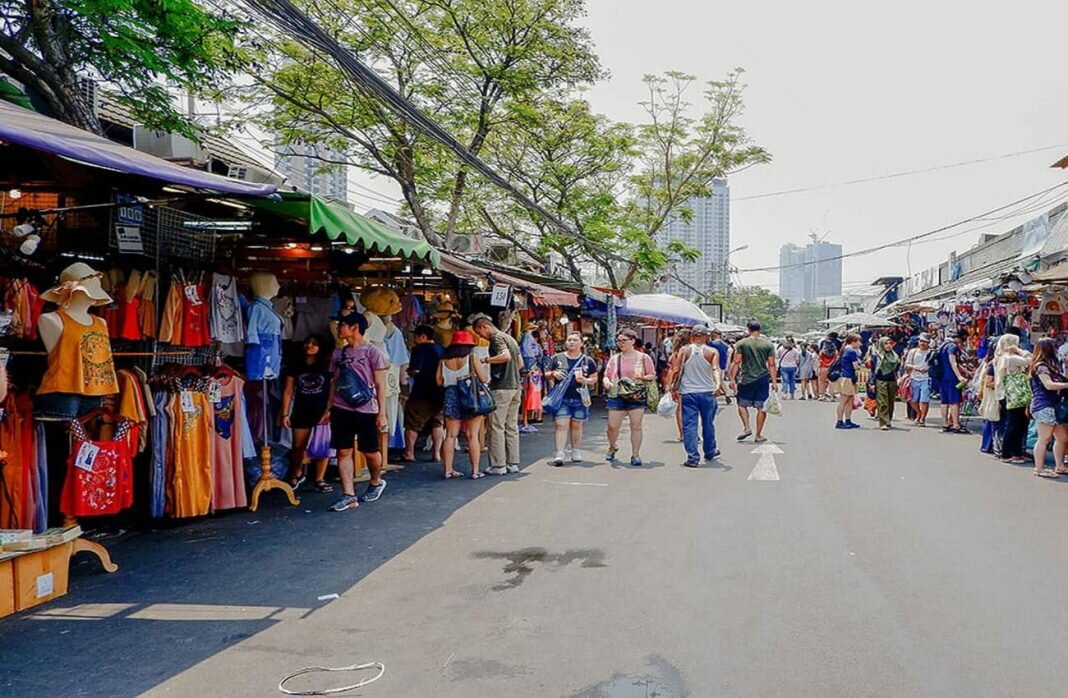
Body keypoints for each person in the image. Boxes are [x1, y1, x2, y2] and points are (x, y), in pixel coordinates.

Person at [325, 314, 389, 512]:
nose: (338, 328)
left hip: (366, 408)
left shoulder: (372, 352)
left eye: (342, 325)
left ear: (354, 327)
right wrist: (328, 407)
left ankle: (376, 480)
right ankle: (348, 494)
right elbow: (334, 382)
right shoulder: (338, 354)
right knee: (343, 450)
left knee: (370, 451)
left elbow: (380, 384)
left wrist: (382, 413)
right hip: (341, 408)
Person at [470, 313, 522, 476]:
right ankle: (512, 462)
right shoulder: (511, 339)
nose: (481, 337)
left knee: (496, 426)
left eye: (480, 333)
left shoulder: (496, 338)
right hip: (515, 386)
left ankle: (498, 465)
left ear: (483, 326)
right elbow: (520, 363)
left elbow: (505, 357)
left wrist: (485, 360)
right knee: (511, 426)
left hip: (501, 388)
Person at [281, 334, 333, 492]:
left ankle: (320, 478)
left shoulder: (327, 366)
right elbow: (288, 390)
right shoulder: (296, 365)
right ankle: (296, 473)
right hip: (301, 408)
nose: (309, 346)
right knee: (298, 446)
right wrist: (284, 414)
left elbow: (332, 389)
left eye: (314, 344)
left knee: (323, 446)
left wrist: (329, 410)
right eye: (307, 343)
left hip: (321, 409)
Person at [438, 330, 491, 479]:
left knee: (450, 435)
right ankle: (475, 471)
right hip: (470, 396)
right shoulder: (472, 358)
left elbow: (439, 381)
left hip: (451, 395)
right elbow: (484, 378)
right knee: (472, 435)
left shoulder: (443, 360)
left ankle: (448, 470)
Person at [603, 327, 655, 466]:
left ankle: (635, 454)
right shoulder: (615, 359)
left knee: (636, 425)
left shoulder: (643, 358)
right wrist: (607, 382)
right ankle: (612, 446)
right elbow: (607, 376)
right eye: (618, 341)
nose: (621, 343)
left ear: (633, 341)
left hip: (636, 394)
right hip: (617, 394)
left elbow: (652, 375)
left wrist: (642, 377)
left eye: (624, 340)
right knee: (612, 426)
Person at [672, 324, 721, 467]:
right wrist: (717, 384)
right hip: (707, 392)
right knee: (708, 423)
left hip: (688, 393)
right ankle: (710, 451)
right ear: (706, 336)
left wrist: (671, 388)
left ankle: (693, 457)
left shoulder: (684, 350)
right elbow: (715, 369)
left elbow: (676, 370)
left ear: (692, 336)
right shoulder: (712, 351)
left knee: (689, 426)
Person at [547, 332, 598, 466]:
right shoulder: (557, 358)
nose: (571, 342)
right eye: (569, 340)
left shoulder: (588, 360)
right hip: (561, 397)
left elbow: (594, 378)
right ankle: (560, 453)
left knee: (577, 425)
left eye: (575, 340)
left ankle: (575, 450)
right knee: (561, 425)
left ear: (581, 343)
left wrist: (585, 380)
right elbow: (546, 373)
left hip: (580, 397)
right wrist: (553, 374)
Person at [728, 320, 777, 443]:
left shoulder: (741, 344)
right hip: (762, 379)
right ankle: (758, 434)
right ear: (759, 330)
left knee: (741, 404)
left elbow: (736, 362)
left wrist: (732, 379)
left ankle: (746, 427)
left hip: (746, 378)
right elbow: (771, 364)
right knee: (761, 407)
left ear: (748, 330)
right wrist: (775, 381)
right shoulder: (768, 344)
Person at [402, 325, 445, 463]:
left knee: (412, 423)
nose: (414, 339)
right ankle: (437, 453)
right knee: (437, 423)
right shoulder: (442, 349)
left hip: (421, 392)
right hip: (439, 392)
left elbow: (416, 370)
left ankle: (409, 453)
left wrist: (409, 372)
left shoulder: (419, 350)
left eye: (416, 336)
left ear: (423, 337)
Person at [1029, 337, 1068, 478]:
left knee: (1062, 437)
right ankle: (1039, 469)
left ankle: (1060, 466)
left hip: (1052, 405)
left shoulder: (1051, 365)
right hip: (1044, 405)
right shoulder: (1041, 367)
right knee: (1044, 438)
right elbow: (1049, 385)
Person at [994, 334, 1031, 464]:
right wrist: (1019, 350)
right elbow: (1030, 359)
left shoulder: (1001, 357)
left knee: (1018, 423)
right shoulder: (1010, 358)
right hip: (1013, 394)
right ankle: (1007, 453)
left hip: (1007, 394)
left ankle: (1016, 452)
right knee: (1014, 424)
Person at [939, 329, 971, 434]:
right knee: (954, 402)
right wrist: (959, 376)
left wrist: (967, 372)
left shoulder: (943, 346)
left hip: (942, 377)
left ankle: (945, 424)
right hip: (951, 378)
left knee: (944, 401)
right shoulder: (953, 347)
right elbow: (953, 363)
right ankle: (956, 425)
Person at [665, 328, 692, 441]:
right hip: (695, 383)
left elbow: (674, 370)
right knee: (691, 410)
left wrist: (669, 385)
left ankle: (682, 433)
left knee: (680, 409)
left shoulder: (677, 353)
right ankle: (692, 431)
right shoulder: (695, 350)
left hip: (680, 383)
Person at [871, 336, 900, 430]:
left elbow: (898, 369)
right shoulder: (877, 356)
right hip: (881, 380)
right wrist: (872, 383)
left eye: (890, 343)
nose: (888, 346)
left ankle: (888, 420)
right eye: (886, 343)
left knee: (891, 401)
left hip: (892, 380)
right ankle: (883, 422)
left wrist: (899, 379)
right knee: (882, 402)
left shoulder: (895, 356)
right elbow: (873, 370)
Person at [835, 333, 863, 429]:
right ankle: (839, 421)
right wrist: (860, 366)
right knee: (844, 400)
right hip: (848, 377)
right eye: (859, 341)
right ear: (853, 342)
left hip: (847, 377)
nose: (860, 344)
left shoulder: (846, 350)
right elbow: (855, 366)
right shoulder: (851, 351)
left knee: (850, 400)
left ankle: (848, 420)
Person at [904, 334, 932, 426]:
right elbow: (907, 364)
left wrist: (928, 369)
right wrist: (916, 368)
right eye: (921, 341)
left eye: (925, 342)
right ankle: (919, 413)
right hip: (914, 377)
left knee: (924, 400)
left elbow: (935, 365)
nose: (923, 343)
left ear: (929, 343)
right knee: (913, 399)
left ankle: (922, 418)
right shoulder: (913, 352)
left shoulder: (931, 353)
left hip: (926, 378)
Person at [817, 332, 841, 400]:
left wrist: (817, 368)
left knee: (822, 381)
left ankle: (822, 395)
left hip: (823, 367)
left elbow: (820, 360)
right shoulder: (835, 352)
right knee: (832, 382)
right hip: (832, 368)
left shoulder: (822, 352)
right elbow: (837, 358)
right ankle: (832, 395)